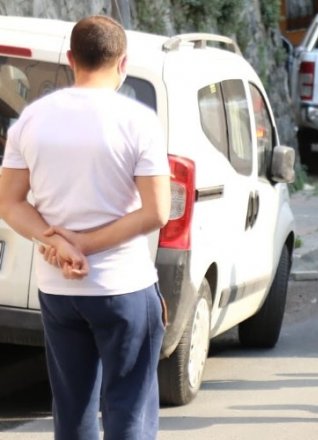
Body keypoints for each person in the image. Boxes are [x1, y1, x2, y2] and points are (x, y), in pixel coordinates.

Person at [0, 15, 170, 439]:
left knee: (72, 412)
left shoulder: (31, 119)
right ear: (123, 62)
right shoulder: (139, 121)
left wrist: (56, 240)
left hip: (58, 290)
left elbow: (9, 202)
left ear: (71, 59)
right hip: (123, 287)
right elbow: (156, 213)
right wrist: (86, 245)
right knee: (128, 410)